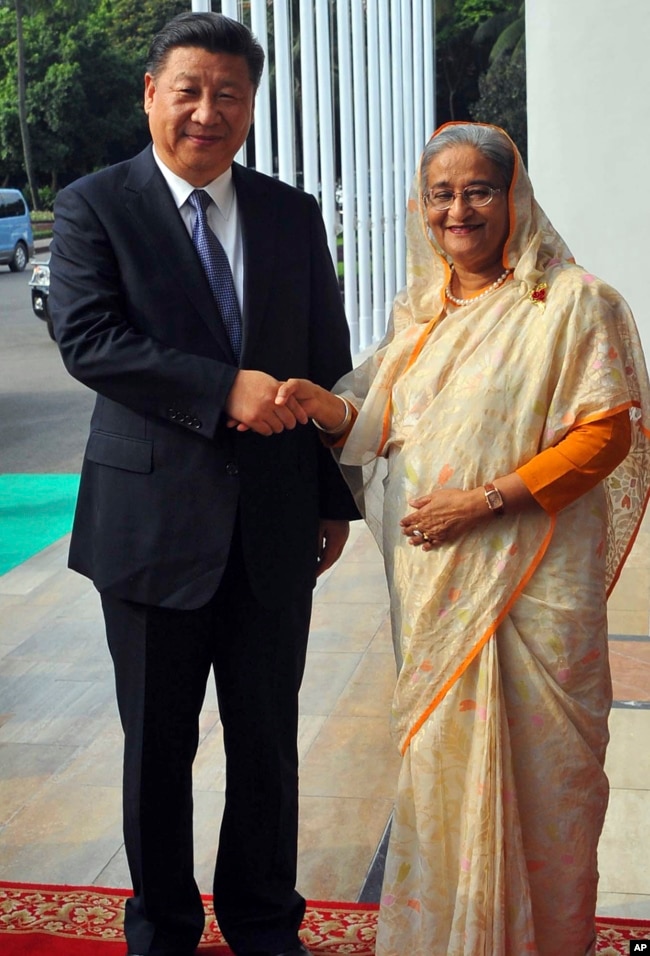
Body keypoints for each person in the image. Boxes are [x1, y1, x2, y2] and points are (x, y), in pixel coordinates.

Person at [275, 122, 650, 955]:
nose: (459, 209)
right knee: (444, 772)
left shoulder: (575, 301)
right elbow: (382, 428)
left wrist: (482, 502)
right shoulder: (422, 316)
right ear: (421, 207)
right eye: (441, 194)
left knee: (548, 782)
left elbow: (605, 435)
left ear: (515, 197)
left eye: (479, 189)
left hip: (534, 585)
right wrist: (321, 403)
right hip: (438, 588)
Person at [48, 12, 359, 956]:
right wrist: (223, 388)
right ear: (151, 93)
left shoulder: (290, 214)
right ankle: (164, 928)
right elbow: (90, 339)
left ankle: (265, 922)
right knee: (158, 751)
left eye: (229, 94)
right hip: (147, 530)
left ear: (252, 106)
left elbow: (325, 362)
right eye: (187, 90)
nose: (206, 111)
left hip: (271, 526)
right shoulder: (94, 205)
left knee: (266, 745)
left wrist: (329, 498)